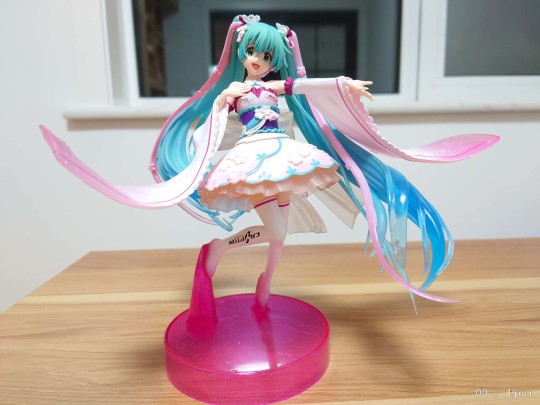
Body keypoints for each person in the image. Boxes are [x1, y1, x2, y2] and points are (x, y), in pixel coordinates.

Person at [41, 15, 499, 310]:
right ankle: (224, 253)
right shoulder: (235, 90)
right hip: (254, 162)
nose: (257, 60)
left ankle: (261, 285)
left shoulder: (271, 87)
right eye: (252, 52)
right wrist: (207, 137)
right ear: (241, 52)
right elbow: (212, 120)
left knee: (281, 236)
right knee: (277, 233)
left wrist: (344, 85)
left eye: (265, 55)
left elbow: (304, 86)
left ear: (274, 58)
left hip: (283, 156)